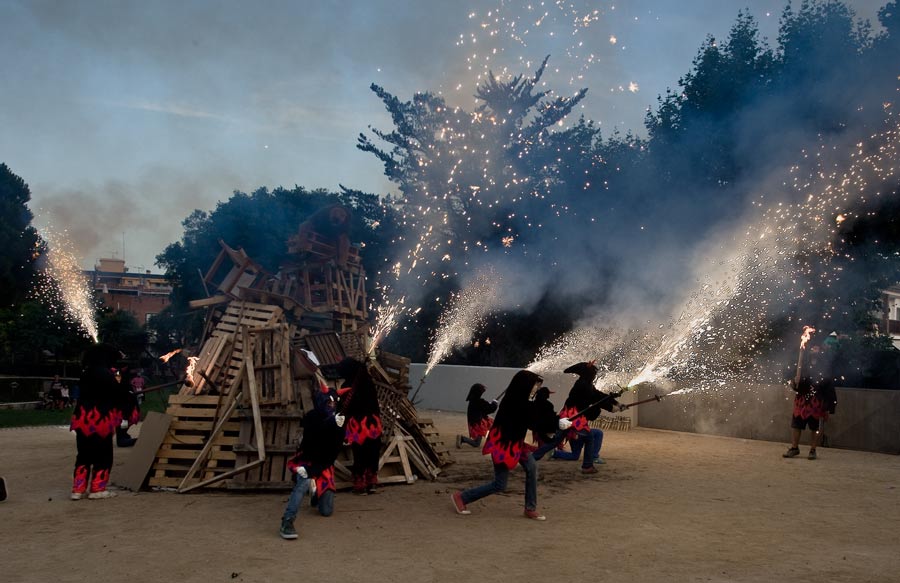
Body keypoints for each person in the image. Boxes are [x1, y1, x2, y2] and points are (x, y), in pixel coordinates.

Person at [450, 370, 568, 521]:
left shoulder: (522, 402)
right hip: (503, 447)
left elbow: (537, 415)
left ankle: (530, 508)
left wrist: (557, 421)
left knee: (532, 468)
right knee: (500, 484)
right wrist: (557, 423)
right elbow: (533, 421)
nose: (536, 389)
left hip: (516, 445)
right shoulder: (514, 403)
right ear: (524, 385)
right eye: (534, 386)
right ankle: (461, 497)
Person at [69, 344, 140, 500]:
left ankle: (78, 489)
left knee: (83, 454)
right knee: (103, 454)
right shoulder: (107, 375)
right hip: (100, 420)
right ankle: (97, 489)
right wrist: (128, 392)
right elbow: (118, 394)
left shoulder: (86, 373)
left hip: (83, 419)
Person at [280, 388, 347, 540]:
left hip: (323, 463)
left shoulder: (339, 420)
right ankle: (287, 521)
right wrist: (331, 423)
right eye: (328, 402)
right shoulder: (311, 417)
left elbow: (333, 452)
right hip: (308, 460)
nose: (331, 406)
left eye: (334, 403)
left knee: (326, 511)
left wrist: (338, 429)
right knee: (301, 486)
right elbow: (312, 440)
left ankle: (316, 492)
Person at [534, 362, 619, 473]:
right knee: (588, 438)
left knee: (556, 440)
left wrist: (616, 402)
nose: (594, 375)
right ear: (588, 373)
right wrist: (611, 407)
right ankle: (587, 466)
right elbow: (595, 399)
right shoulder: (583, 386)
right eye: (593, 373)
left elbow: (599, 395)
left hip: (568, 415)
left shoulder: (585, 384)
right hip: (575, 418)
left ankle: (532, 457)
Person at [783, 342, 837, 460]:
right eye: (812, 348)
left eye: (816, 348)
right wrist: (793, 382)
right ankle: (794, 448)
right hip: (802, 400)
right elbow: (794, 384)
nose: (814, 350)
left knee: (815, 428)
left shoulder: (824, 367)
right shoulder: (803, 365)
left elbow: (829, 388)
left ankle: (813, 450)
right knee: (796, 425)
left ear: (820, 351)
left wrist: (828, 408)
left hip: (817, 402)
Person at [336, 358, 382, 495]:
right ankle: (371, 480)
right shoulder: (368, 383)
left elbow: (345, 407)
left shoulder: (348, 385)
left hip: (357, 426)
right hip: (373, 424)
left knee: (360, 452)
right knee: (372, 451)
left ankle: (360, 482)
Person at [456, 383, 498, 448]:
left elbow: (484, 408)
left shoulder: (473, 401)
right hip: (478, 423)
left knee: (494, 427)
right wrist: (494, 404)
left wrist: (490, 404)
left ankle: (495, 441)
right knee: (476, 443)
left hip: (476, 421)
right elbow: (489, 409)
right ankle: (462, 439)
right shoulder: (479, 402)